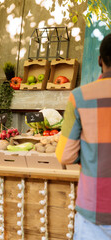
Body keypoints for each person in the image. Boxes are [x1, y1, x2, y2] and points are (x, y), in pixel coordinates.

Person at [56, 33, 111, 239]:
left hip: (94, 211)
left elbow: (65, 156)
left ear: (100, 60)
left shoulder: (80, 97)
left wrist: (90, 154)